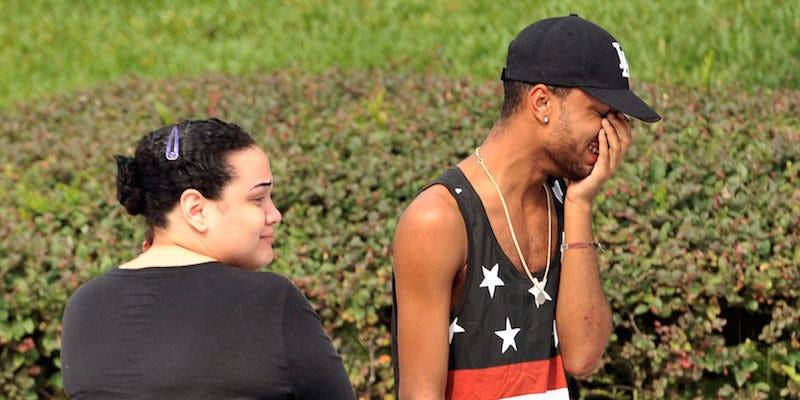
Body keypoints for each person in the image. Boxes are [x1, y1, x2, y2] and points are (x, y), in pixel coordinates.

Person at [391, 14, 661, 399]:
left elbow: (583, 358)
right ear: (541, 102)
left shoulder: (565, 199)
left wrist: (580, 206)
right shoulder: (438, 220)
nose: (615, 134)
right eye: (602, 114)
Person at [61, 118, 355, 400]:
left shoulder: (85, 305)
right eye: (258, 199)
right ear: (196, 209)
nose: (274, 215)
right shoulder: (270, 302)